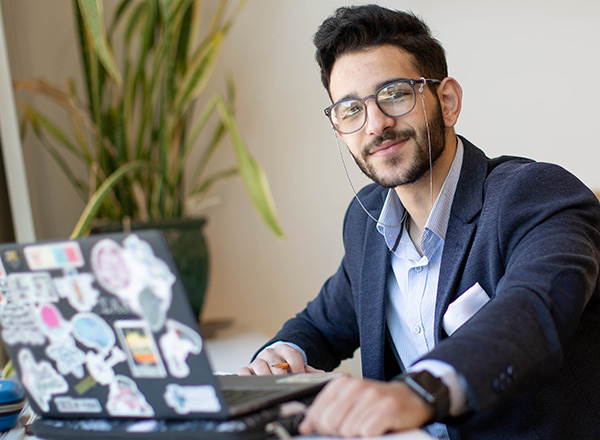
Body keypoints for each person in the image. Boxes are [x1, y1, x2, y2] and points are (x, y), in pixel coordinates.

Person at [239, 4, 600, 439]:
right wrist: (278, 358)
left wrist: (418, 392)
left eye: (394, 93)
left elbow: (532, 310)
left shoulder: (535, 194)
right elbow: (321, 324)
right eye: (351, 109)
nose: (375, 124)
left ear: (447, 101)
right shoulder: (366, 218)